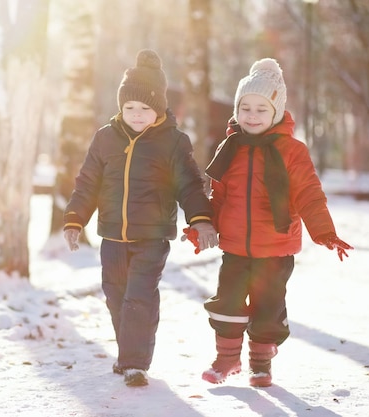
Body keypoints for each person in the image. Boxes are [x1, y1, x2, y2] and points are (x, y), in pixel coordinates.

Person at [62, 49, 218, 387]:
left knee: (139, 296)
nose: (136, 114)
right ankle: (127, 353)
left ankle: (135, 363)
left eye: (145, 108)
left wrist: (201, 218)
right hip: (112, 236)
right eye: (129, 107)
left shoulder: (173, 143)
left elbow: (190, 185)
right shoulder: (105, 138)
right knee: (115, 294)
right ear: (121, 106)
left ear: (159, 109)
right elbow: (87, 182)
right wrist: (75, 219)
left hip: (152, 236)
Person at [201, 58, 354, 388]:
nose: (252, 116)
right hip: (235, 246)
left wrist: (325, 232)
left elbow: (309, 194)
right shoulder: (230, 147)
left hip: (276, 248)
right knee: (226, 302)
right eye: (245, 108)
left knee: (267, 308)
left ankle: (260, 364)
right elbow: (219, 195)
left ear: (276, 113)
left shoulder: (292, 151)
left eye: (260, 109)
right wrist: (203, 224)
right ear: (237, 110)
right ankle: (226, 360)